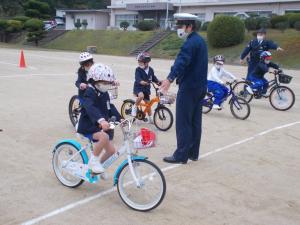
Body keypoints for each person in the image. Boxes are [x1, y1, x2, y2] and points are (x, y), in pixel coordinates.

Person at [160, 13, 208, 164]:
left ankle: (181, 155)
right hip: (200, 87)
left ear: (189, 26)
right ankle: (193, 152)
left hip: (188, 88)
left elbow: (181, 62)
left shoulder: (189, 43)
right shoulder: (200, 41)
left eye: (181, 26)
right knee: (195, 121)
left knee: (183, 122)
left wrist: (169, 79)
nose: (179, 29)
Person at [77, 63, 121, 173]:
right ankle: (93, 162)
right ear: (95, 81)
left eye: (108, 83)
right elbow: (90, 107)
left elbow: (109, 107)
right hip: (87, 126)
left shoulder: (104, 92)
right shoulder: (89, 92)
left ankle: (97, 169)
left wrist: (121, 119)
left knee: (111, 151)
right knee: (104, 137)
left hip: (97, 126)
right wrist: (101, 120)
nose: (107, 85)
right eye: (104, 82)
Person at [131, 52, 161, 122]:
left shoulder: (151, 70)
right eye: (139, 62)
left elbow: (153, 78)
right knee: (141, 96)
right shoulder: (138, 69)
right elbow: (137, 78)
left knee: (148, 104)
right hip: (138, 87)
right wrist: (142, 82)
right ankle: (134, 107)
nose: (139, 63)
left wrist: (159, 82)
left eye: (141, 62)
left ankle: (150, 119)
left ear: (146, 62)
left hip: (146, 89)